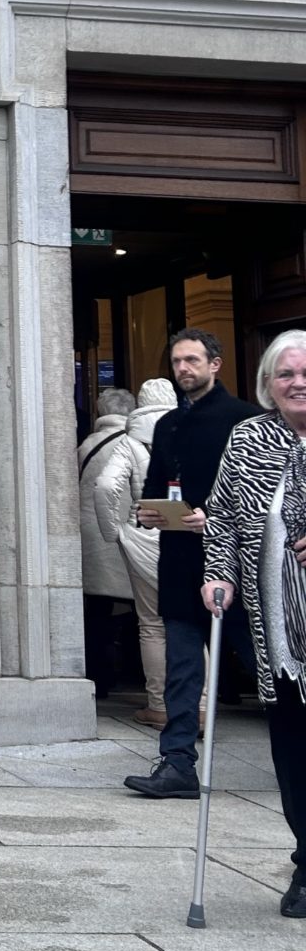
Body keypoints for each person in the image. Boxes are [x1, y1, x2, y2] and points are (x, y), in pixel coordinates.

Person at [123, 329, 255, 800]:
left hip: (237, 567)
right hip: (180, 561)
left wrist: (214, 519)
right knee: (182, 669)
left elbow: (261, 500)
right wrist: (151, 511)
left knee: (266, 663)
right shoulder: (166, 425)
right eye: (177, 361)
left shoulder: (246, 421)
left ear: (215, 364)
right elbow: (158, 485)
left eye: (192, 360)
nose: (183, 369)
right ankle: (177, 762)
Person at [203, 330, 306, 918]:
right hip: (279, 630)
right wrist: (218, 574)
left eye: (305, 373)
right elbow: (221, 516)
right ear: (268, 384)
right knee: (293, 748)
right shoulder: (249, 438)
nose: (297, 383)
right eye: (285, 374)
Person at [94, 378, 177, 728]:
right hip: (186, 532)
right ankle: (200, 704)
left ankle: (158, 705)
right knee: (189, 624)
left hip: (143, 534)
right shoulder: (187, 431)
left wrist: (112, 531)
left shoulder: (130, 441)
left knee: (152, 625)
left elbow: (106, 485)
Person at [77, 388, 136, 696]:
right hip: (129, 535)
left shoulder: (87, 445)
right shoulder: (136, 443)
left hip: (93, 537)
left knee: (97, 613)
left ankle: (100, 677)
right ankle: (139, 675)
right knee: (145, 613)